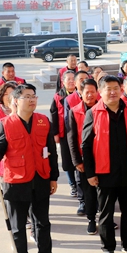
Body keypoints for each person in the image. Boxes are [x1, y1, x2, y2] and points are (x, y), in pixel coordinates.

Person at [0, 83, 59, 253]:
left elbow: (51, 151)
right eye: (26, 96)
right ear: (15, 101)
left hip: (41, 178)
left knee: (42, 223)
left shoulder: (43, 121)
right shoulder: (5, 124)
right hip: (16, 182)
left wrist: (53, 177)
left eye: (33, 96)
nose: (31, 99)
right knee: (18, 226)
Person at [81, 76, 127, 253]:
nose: (112, 92)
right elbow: (85, 146)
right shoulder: (93, 113)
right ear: (100, 92)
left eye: (116, 88)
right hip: (104, 173)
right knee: (106, 213)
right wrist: (90, 173)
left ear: (121, 89)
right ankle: (107, 247)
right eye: (108, 89)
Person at [67, 78, 100, 234]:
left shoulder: (103, 107)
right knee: (89, 192)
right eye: (86, 92)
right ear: (80, 93)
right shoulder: (74, 111)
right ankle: (92, 220)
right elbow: (71, 138)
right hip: (85, 159)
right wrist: (76, 161)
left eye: (93, 91)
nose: (90, 95)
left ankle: (107, 218)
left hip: (103, 156)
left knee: (104, 191)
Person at [50, 70, 78, 198]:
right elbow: (54, 115)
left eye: (74, 79)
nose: (71, 81)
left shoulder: (80, 95)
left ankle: (79, 184)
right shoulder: (58, 96)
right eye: (69, 79)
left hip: (78, 133)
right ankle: (72, 185)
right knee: (67, 161)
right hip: (64, 134)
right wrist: (55, 133)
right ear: (63, 82)